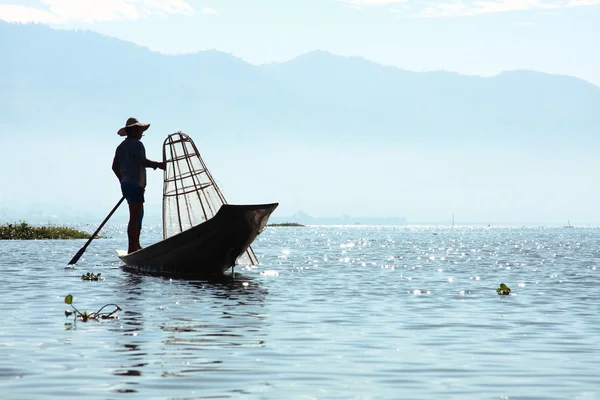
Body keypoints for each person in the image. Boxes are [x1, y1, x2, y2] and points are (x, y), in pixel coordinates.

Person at [112, 117, 165, 253]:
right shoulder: (137, 145)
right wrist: (158, 165)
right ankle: (132, 247)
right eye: (139, 131)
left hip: (128, 185)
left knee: (139, 215)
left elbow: (114, 167)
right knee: (135, 217)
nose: (141, 133)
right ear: (133, 130)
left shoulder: (121, 147)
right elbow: (141, 161)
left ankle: (136, 245)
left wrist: (122, 181)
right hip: (135, 185)